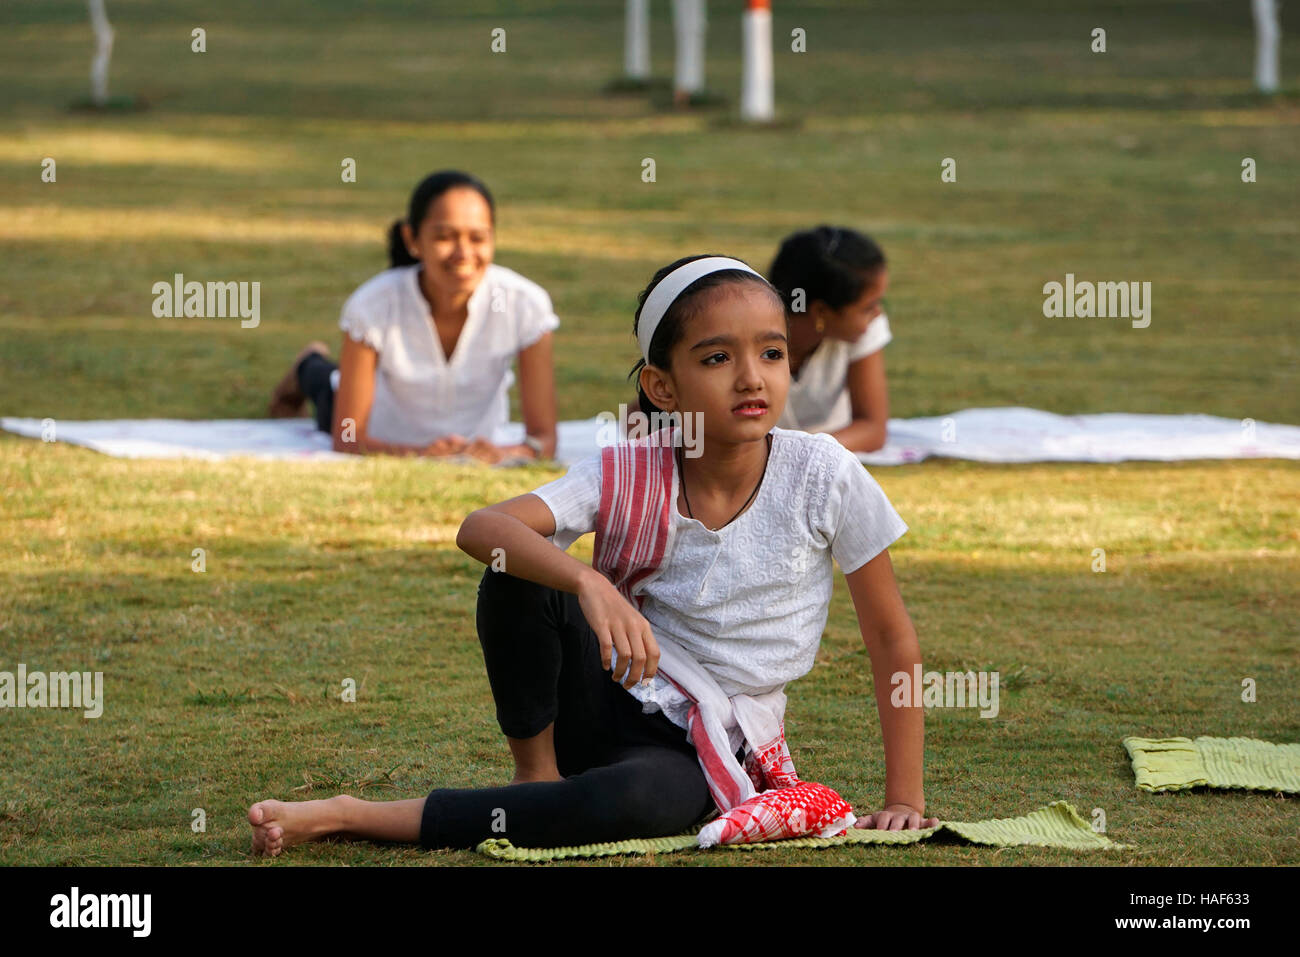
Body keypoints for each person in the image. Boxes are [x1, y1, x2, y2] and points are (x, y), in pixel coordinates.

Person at [247, 254, 936, 856]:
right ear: (663, 386)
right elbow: (481, 526)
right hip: (604, 687)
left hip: (701, 741)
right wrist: (587, 581)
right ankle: (536, 777)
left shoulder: (824, 473)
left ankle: (351, 817)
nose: (751, 377)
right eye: (718, 357)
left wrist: (903, 794)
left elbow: (889, 634)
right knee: (519, 565)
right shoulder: (630, 469)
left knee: (637, 805)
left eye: (772, 353)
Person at [268, 170, 559, 464]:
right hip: (380, 430)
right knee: (328, 384)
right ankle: (308, 361)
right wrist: (421, 454)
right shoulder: (373, 304)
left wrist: (505, 453)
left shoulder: (525, 304)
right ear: (412, 238)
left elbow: (544, 440)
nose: (463, 252)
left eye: (478, 238)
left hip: (466, 445)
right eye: (445, 236)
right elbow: (347, 439)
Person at [766, 225, 893, 453]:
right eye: (868, 307)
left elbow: (873, 430)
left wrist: (797, 452)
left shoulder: (863, 332)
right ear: (821, 312)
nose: (878, 314)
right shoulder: (749, 337)